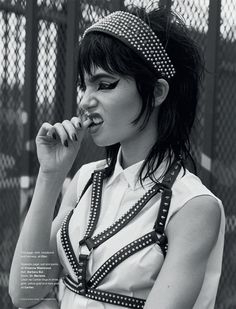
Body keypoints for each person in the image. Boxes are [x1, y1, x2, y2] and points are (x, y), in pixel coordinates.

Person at [9, 6, 225, 309]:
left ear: (158, 91)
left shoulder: (191, 206)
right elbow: (24, 292)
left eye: (105, 85)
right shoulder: (85, 179)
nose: (85, 101)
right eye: (83, 85)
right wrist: (50, 176)